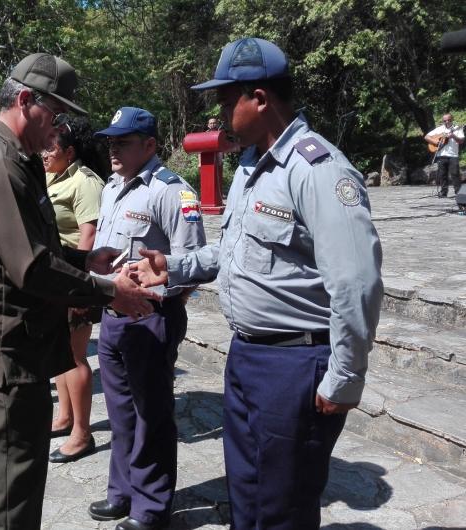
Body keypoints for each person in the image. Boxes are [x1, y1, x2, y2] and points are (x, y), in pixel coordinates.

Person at [132, 38, 383, 530]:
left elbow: (356, 282)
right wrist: (174, 267)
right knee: (246, 494)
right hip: (248, 356)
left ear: (260, 98)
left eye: (228, 102)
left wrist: (346, 376)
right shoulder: (252, 168)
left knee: (282, 506)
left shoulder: (318, 170)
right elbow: (231, 253)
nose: (220, 115)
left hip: (295, 364)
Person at [0, 52, 161, 530]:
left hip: (8, 350)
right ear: (26, 101)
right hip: (6, 357)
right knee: (11, 500)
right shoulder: (1, 167)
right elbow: (32, 268)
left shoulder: (11, 161)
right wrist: (111, 292)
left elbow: (28, 248)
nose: (59, 127)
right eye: (56, 113)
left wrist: (87, 260)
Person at [87, 106, 206, 530]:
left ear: (150, 145)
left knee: (151, 416)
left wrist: (162, 305)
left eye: (122, 141)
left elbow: (191, 263)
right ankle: (122, 493)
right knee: (120, 412)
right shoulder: (112, 187)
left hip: (152, 317)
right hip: (113, 316)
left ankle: (151, 507)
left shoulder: (173, 192)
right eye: (110, 141)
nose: (113, 148)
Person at [42, 117, 106, 463]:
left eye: (50, 147)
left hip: (75, 280)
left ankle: (83, 433)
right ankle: (65, 416)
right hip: (54, 279)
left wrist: (78, 286)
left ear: (70, 151)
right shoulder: (51, 176)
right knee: (60, 352)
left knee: (76, 355)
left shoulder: (85, 182)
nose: (44, 153)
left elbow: (89, 237)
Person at [425, 113, 464, 197]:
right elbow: (426, 137)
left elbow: (461, 141)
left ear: (452, 119)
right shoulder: (439, 129)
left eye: (449, 120)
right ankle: (443, 192)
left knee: (455, 174)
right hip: (441, 155)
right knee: (442, 174)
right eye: (444, 120)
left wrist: (453, 136)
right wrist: (436, 142)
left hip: (453, 155)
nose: (447, 122)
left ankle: (459, 193)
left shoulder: (457, 129)